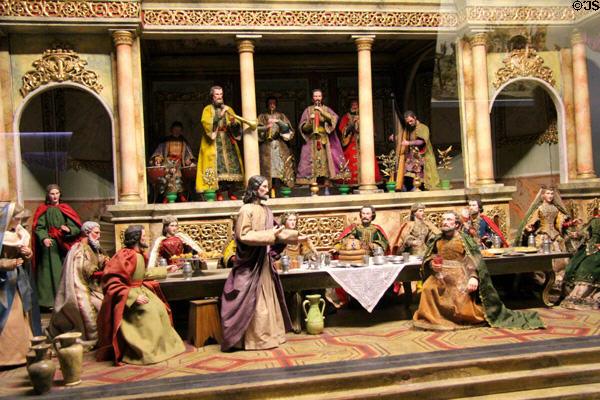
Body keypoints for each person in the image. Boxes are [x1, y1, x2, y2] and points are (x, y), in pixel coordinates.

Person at [413, 212, 545, 331]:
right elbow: (430, 256)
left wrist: (473, 277)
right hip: (440, 275)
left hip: (459, 274)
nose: (445, 222)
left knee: (459, 297)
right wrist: (431, 263)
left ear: (457, 224)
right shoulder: (437, 239)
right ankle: (433, 319)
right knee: (428, 287)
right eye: (443, 220)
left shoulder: (465, 240)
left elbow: (473, 260)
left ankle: (468, 316)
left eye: (449, 219)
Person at [220, 175, 306, 351]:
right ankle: (255, 339)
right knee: (253, 301)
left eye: (267, 187)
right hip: (251, 264)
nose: (267, 190)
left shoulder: (267, 210)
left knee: (268, 299)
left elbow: (277, 232)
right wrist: (269, 236)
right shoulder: (246, 210)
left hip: (264, 263)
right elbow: (243, 235)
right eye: (264, 187)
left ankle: (270, 336)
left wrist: (295, 237)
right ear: (254, 188)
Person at [96, 225, 184, 365]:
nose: (146, 237)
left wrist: (165, 270)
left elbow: (143, 274)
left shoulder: (140, 254)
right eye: (143, 235)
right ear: (136, 237)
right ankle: (146, 350)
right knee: (149, 312)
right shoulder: (125, 255)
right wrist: (132, 297)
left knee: (160, 308)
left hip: (141, 289)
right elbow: (113, 281)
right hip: (130, 293)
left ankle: (164, 348)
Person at [46, 221, 107, 347]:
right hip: (79, 289)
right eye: (96, 233)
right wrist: (96, 270)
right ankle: (93, 337)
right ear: (87, 233)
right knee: (99, 306)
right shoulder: (78, 249)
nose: (99, 236)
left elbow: (100, 258)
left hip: (94, 288)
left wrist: (105, 262)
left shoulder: (94, 247)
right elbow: (81, 269)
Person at [0, 203, 39, 367]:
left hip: (19, 280)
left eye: (20, 219)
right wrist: (8, 264)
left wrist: (27, 254)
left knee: (22, 316)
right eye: (16, 218)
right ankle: (7, 357)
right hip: (4, 283)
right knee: (9, 319)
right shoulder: (1, 237)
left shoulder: (21, 234)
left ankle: (23, 353)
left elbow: (27, 260)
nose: (19, 222)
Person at [32, 184, 81, 309]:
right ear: (48, 195)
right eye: (52, 194)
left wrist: (68, 229)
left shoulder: (65, 208)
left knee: (63, 272)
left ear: (60, 194)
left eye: (57, 193)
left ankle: (64, 299)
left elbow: (76, 227)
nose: (54, 196)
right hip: (49, 246)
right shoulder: (43, 209)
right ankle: (47, 301)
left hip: (62, 245)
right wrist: (44, 238)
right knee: (47, 273)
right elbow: (39, 227)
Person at [513, 186, 576, 283]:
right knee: (542, 262)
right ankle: (543, 280)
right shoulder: (539, 209)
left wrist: (571, 223)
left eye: (551, 194)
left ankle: (559, 280)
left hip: (555, 237)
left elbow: (560, 222)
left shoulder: (556, 208)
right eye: (548, 193)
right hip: (542, 236)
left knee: (561, 260)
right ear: (542, 195)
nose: (550, 196)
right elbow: (531, 222)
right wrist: (530, 228)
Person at [196, 86, 244, 201]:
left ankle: (230, 192)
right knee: (217, 168)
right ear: (212, 96)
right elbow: (206, 123)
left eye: (221, 94)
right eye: (217, 94)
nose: (219, 96)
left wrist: (233, 123)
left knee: (232, 168)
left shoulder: (229, 109)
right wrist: (220, 115)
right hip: (213, 142)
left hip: (227, 140)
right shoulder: (207, 109)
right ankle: (218, 194)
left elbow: (236, 127)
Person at [296, 89, 346, 186]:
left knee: (326, 159)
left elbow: (334, 119)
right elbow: (303, 128)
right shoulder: (308, 110)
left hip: (324, 139)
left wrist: (322, 112)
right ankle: (310, 180)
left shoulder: (326, 109)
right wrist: (310, 121)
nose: (317, 98)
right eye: (315, 96)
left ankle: (327, 181)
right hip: (312, 140)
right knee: (308, 160)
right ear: (312, 98)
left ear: (322, 98)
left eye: (319, 96)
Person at [392, 111, 440, 191]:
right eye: (408, 122)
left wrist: (408, 143)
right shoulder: (411, 130)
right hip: (413, 155)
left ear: (415, 117)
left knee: (416, 170)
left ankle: (417, 187)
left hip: (423, 156)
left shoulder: (422, 128)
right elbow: (404, 136)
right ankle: (407, 187)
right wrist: (395, 137)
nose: (410, 123)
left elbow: (421, 141)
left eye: (411, 121)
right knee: (403, 167)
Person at [561, 212, 600, 309]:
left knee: (590, 265)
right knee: (578, 265)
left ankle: (589, 296)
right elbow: (586, 232)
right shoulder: (595, 220)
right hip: (591, 248)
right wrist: (577, 234)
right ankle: (576, 296)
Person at [149, 121, 196, 202]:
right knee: (168, 177)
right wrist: (158, 160)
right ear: (172, 130)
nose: (177, 132)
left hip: (179, 164)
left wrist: (189, 161)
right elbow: (159, 152)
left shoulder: (183, 142)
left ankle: (182, 196)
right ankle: (166, 197)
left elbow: (187, 155)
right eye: (175, 130)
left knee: (179, 178)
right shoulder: (166, 141)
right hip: (168, 163)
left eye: (179, 130)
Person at [338, 99, 382, 185]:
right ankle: (352, 183)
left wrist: (361, 122)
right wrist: (351, 124)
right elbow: (343, 131)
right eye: (353, 105)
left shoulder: (366, 116)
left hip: (364, 143)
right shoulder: (346, 117)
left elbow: (371, 130)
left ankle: (368, 182)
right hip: (351, 143)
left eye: (356, 105)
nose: (355, 107)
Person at [257, 96, 295, 190]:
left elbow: (288, 128)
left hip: (279, 144)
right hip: (266, 146)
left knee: (281, 166)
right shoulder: (262, 116)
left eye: (274, 103)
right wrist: (266, 127)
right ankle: (268, 188)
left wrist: (278, 122)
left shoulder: (281, 116)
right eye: (270, 103)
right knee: (267, 167)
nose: (272, 105)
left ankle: (281, 186)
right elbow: (256, 129)